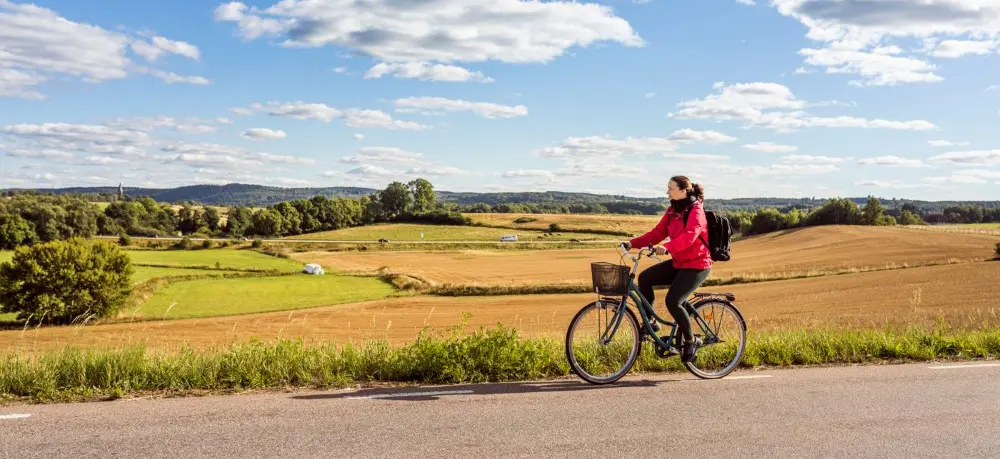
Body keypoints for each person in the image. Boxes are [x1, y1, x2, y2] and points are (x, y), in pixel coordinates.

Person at [621, 175, 712, 363]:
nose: (667, 192)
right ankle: (651, 323)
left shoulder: (696, 210)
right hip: (679, 263)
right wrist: (632, 243)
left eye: (671, 188)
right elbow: (657, 233)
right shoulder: (672, 211)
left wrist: (667, 247)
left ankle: (690, 340)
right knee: (645, 278)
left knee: (673, 300)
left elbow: (690, 236)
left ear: (683, 190)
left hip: (697, 265)